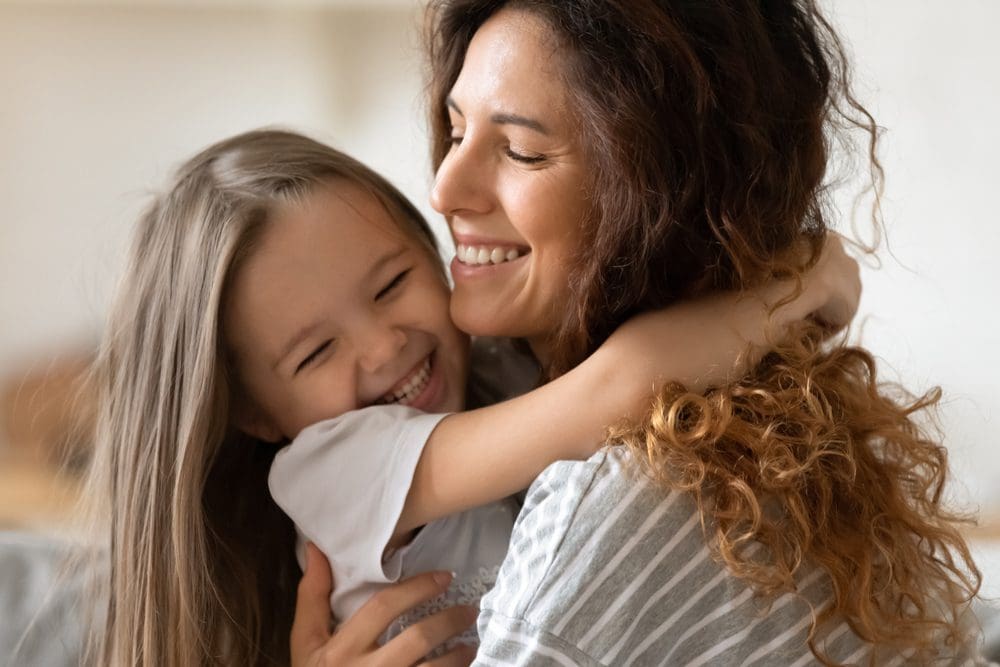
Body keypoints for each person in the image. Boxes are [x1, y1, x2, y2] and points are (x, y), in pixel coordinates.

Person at [292, 0, 986, 664]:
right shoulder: (748, 402)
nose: (444, 187)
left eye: (523, 151)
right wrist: (804, 281)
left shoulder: (612, 504)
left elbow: (619, 384)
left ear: (658, 197)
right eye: (454, 129)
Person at [81, 128, 856, 667]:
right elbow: (618, 387)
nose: (385, 346)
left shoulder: (489, 377)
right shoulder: (328, 468)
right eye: (316, 351)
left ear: (437, 254)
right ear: (254, 414)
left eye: (392, 285)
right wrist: (808, 279)